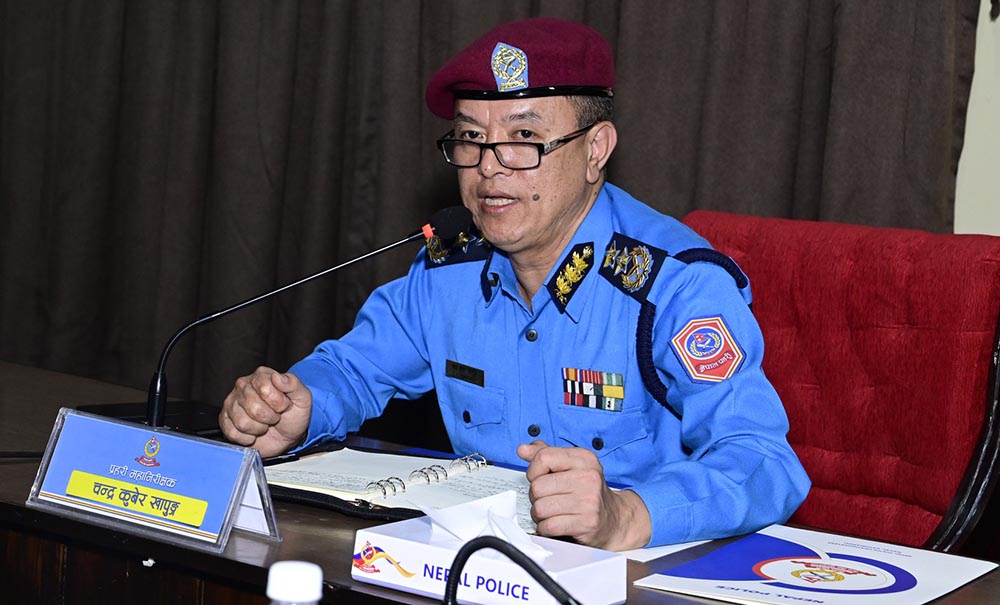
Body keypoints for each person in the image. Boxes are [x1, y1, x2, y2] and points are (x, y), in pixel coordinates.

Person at [219, 17, 810, 551]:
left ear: (595, 150)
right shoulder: (451, 267)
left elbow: (764, 461)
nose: (489, 167)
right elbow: (353, 370)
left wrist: (629, 514)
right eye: (472, 138)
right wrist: (300, 407)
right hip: (475, 563)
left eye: (524, 139)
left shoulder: (672, 285)